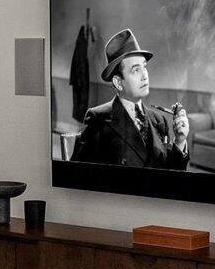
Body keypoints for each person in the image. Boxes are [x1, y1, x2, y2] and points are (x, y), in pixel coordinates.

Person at [71, 29, 192, 168]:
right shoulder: (98, 119)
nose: (145, 75)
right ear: (118, 82)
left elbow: (171, 177)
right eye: (136, 70)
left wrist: (180, 141)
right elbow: (79, 175)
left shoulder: (159, 121)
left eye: (144, 67)